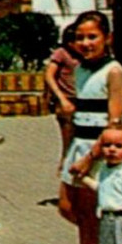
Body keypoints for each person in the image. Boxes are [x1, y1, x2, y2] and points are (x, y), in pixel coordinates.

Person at [54, 10, 122, 244]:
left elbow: (114, 124)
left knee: (86, 218)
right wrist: (68, 153)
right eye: (80, 37)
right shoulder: (80, 70)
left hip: (98, 153)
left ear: (106, 38)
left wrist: (89, 160)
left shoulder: (114, 71)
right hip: (78, 147)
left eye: (92, 36)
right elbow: (78, 115)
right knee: (66, 207)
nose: (85, 43)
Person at [43, 22, 80, 162]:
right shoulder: (61, 53)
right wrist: (61, 98)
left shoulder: (83, 55)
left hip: (82, 99)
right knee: (68, 138)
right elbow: (49, 75)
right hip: (67, 100)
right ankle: (66, 164)